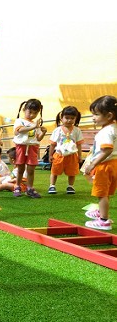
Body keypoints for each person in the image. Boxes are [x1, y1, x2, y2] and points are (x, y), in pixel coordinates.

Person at [82, 95, 117, 230]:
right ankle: (102, 212)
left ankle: (104, 220)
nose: (93, 117)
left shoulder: (105, 132)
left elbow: (107, 150)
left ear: (109, 115)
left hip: (105, 165)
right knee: (105, 191)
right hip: (113, 163)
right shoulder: (114, 127)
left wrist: (93, 164)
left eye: (96, 114)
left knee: (101, 193)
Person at [12, 98, 47, 198]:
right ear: (24, 110)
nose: (32, 115)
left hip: (32, 147)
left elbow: (38, 138)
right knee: (20, 168)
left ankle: (30, 188)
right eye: (30, 112)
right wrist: (33, 127)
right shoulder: (20, 121)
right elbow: (19, 130)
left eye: (35, 113)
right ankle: (17, 186)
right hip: (21, 147)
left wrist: (43, 132)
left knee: (31, 169)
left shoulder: (35, 124)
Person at [48, 106, 83, 194]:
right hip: (59, 155)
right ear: (61, 118)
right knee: (55, 171)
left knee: (72, 172)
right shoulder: (57, 130)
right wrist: (50, 155)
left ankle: (70, 186)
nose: (69, 120)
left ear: (76, 118)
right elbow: (52, 144)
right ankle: (52, 185)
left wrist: (80, 156)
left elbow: (79, 144)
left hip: (72, 156)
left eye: (72, 118)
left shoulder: (77, 130)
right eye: (67, 118)